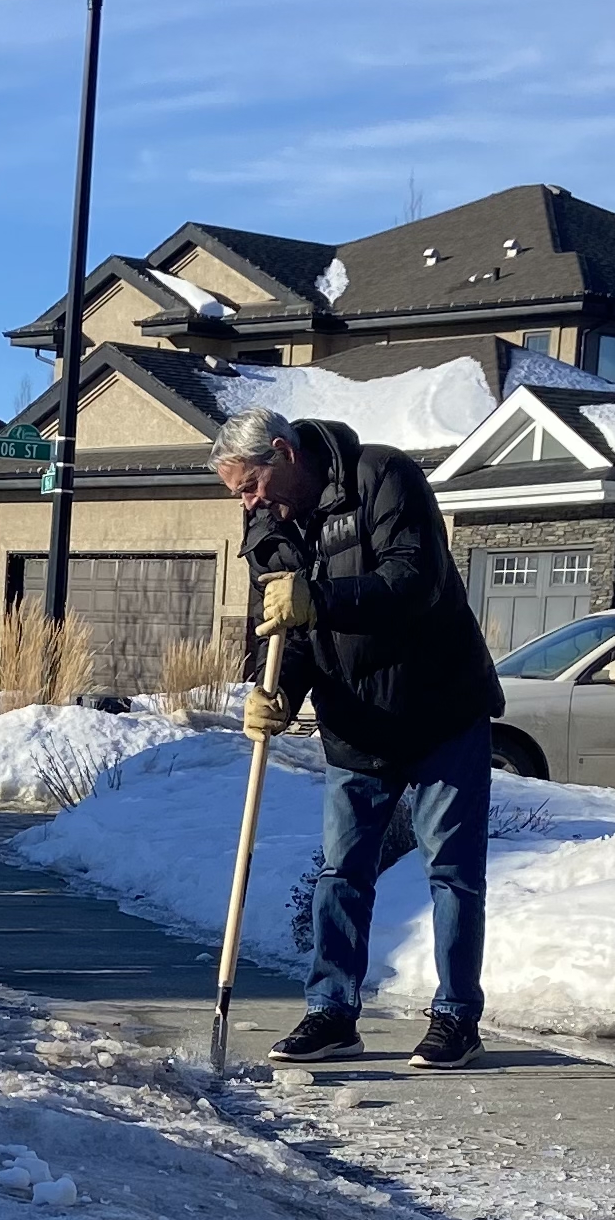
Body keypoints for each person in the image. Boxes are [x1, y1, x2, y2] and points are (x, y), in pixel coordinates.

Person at [213, 405, 502, 1070]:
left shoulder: (383, 477)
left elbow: (414, 581)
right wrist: (276, 694)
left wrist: (319, 596)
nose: (254, 505)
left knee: (454, 874)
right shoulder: (268, 526)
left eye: (253, 487)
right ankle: (332, 1013)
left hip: (439, 712)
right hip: (356, 724)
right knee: (341, 873)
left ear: (284, 454)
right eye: (240, 496)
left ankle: (457, 1018)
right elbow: (284, 631)